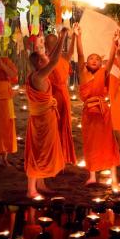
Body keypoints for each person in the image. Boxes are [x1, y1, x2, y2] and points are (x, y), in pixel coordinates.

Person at [75, 24, 120, 191]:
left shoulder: (103, 72)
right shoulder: (83, 73)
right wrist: (77, 36)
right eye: (91, 58)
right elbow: (80, 54)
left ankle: (114, 178)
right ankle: (92, 176)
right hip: (89, 114)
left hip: (103, 113)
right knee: (90, 144)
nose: (94, 60)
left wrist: (114, 43)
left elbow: (110, 59)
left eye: (97, 59)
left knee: (109, 143)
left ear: (100, 63)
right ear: (86, 62)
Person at [24, 28, 68, 198]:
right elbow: (55, 60)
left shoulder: (36, 75)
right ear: (40, 64)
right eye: (43, 58)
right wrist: (62, 37)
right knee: (38, 152)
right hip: (41, 121)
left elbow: (53, 59)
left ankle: (40, 184)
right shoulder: (38, 77)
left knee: (42, 151)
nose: (46, 58)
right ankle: (31, 190)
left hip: (45, 118)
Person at [44, 29, 76, 164]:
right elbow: (70, 53)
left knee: (55, 125)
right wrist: (74, 36)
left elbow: (69, 53)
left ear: (45, 45)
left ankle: (56, 154)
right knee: (63, 124)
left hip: (55, 95)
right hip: (61, 94)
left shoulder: (45, 59)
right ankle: (61, 153)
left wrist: (73, 36)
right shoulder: (51, 59)